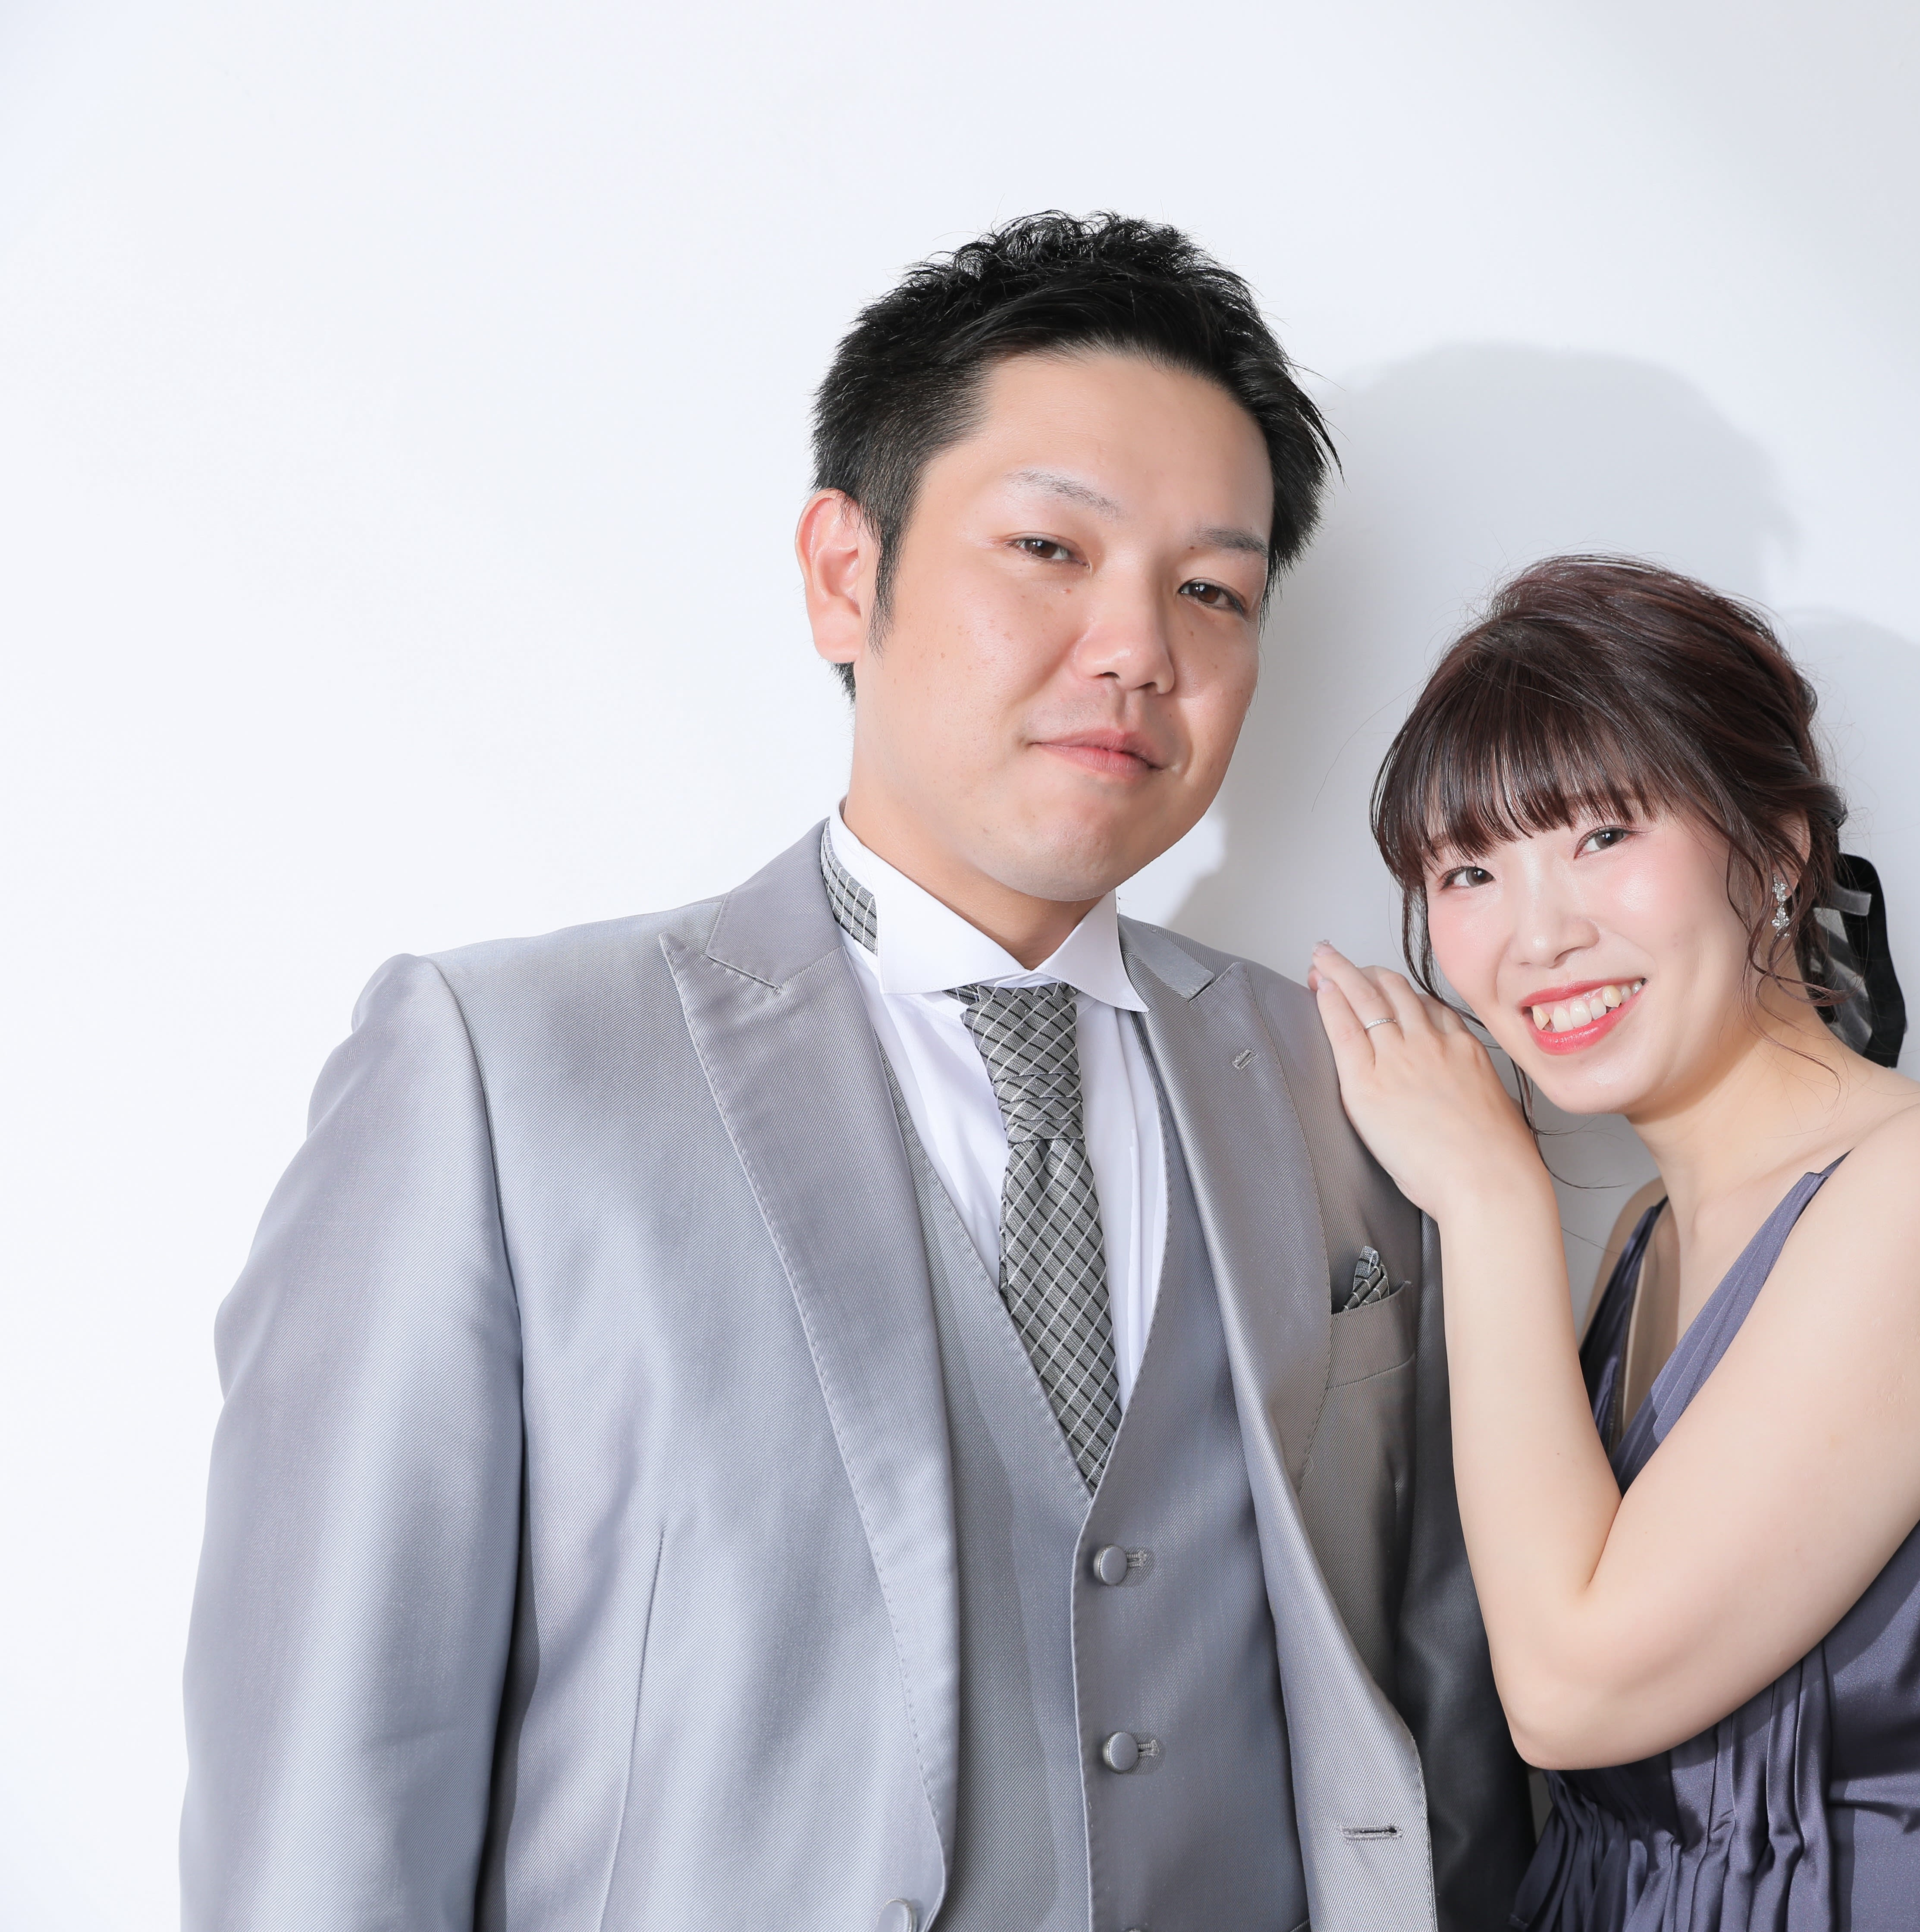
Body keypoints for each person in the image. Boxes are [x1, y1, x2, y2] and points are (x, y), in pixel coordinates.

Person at [182, 213, 1532, 1932]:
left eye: (1213, 590)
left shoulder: (1351, 1086)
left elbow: (1443, 1728)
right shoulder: (502, 1073)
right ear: (845, 569)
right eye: (1049, 547)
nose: (1137, 646)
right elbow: (333, 1787)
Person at [1308, 556, 1920, 1932]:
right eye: (1471, 870)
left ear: (1779, 848)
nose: (1539, 935)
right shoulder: (1648, 1235)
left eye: (1603, 836)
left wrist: (1492, 1201)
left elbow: (1571, 1695)